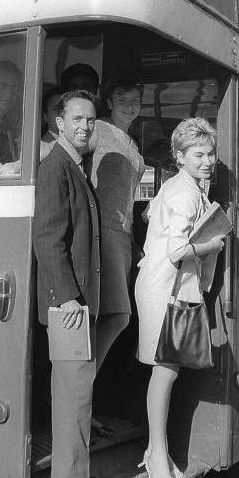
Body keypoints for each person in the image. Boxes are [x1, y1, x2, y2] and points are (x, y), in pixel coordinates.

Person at [134, 117, 227, 478]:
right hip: (164, 288)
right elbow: (177, 251)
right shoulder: (184, 193)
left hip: (170, 287)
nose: (206, 161)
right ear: (180, 157)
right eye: (198, 154)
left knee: (167, 370)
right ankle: (157, 454)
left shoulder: (184, 188)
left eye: (210, 153)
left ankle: (158, 450)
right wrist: (213, 244)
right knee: (165, 371)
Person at [32, 89, 108, 478]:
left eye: (91, 120)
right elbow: (47, 238)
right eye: (77, 119)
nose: (84, 126)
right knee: (74, 390)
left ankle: (71, 477)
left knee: (74, 388)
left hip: (74, 302)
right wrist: (68, 297)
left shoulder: (72, 167)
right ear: (58, 123)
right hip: (69, 306)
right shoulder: (56, 168)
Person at [86, 76, 146, 372]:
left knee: (111, 317)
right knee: (117, 315)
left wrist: (134, 242)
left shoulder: (131, 141)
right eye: (122, 100)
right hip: (103, 229)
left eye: (135, 100)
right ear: (109, 102)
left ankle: (83, 396)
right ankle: (80, 393)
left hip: (122, 235)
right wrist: (19, 166)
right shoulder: (98, 128)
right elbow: (58, 148)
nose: (129, 106)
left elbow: (129, 197)